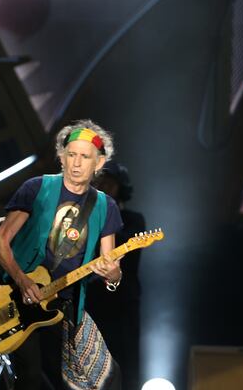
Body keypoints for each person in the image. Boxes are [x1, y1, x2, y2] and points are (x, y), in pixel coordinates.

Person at [0, 120, 124, 390]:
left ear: (98, 164)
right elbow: (0, 241)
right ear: (61, 158)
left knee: (108, 378)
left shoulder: (105, 206)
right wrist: (22, 280)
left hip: (66, 303)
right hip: (21, 298)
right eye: (71, 154)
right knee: (29, 378)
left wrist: (112, 275)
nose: (76, 163)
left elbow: (112, 265)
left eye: (84, 157)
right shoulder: (36, 188)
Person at [88, 161, 145, 390]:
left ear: (121, 187)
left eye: (109, 183)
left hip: (122, 306)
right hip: (92, 305)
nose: (104, 187)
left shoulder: (133, 220)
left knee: (124, 367)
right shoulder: (85, 220)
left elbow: (121, 245)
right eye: (100, 182)